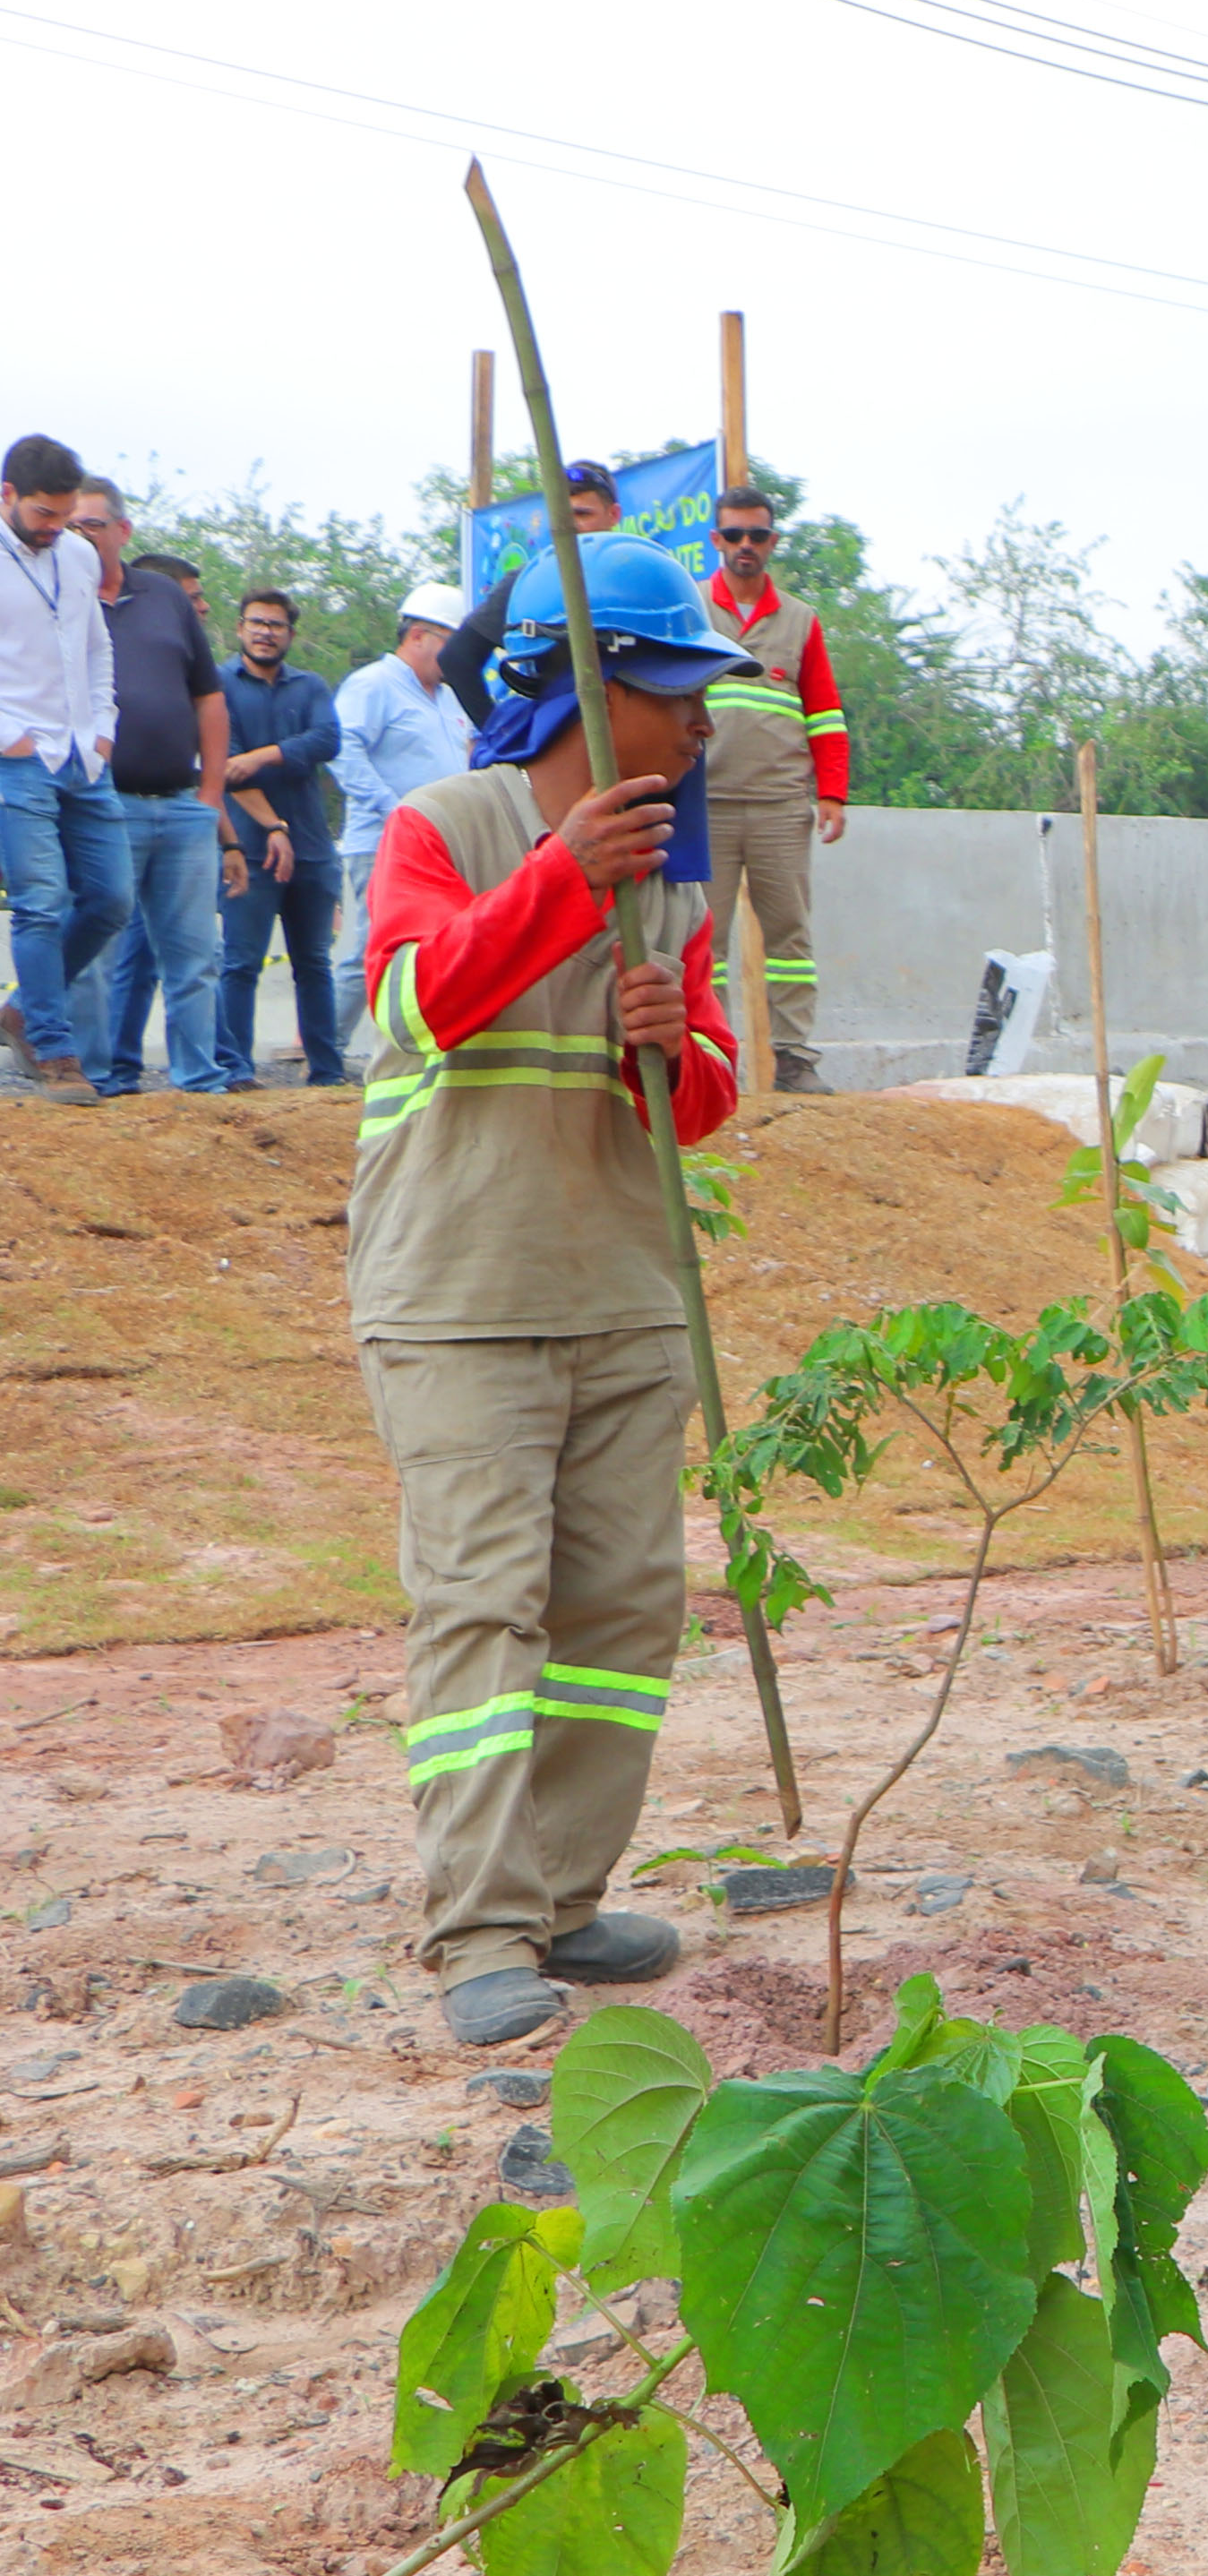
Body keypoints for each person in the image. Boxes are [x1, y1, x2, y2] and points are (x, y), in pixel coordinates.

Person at [348, 531, 750, 2051]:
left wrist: (673, 1050)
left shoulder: (678, 872)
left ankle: (565, 1897)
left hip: (626, 1289)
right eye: (680, 693)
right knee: (481, 1607)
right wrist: (560, 881)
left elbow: (705, 1099)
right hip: (460, 1291)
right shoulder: (445, 825)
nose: (701, 724)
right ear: (596, 686)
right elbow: (413, 1004)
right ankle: (480, 1929)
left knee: (624, 1609)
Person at [72, 485, 236, 1098]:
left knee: (195, 957)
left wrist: (211, 796)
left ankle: (199, 1081)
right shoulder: (54, 599)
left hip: (181, 805)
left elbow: (209, 696)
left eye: (92, 525)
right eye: (70, 526)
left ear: (123, 530)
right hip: (100, 805)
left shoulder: (166, 597)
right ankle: (96, 1080)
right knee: (94, 957)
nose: (80, 536)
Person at [698, 485, 848, 1088]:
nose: (746, 545)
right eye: (734, 534)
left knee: (789, 936)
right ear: (717, 540)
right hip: (704, 803)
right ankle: (710, 1059)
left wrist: (832, 794)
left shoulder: (800, 619)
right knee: (702, 941)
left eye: (757, 535)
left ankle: (795, 1059)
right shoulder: (690, 609)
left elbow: (826, 714)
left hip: (780, 806)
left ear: (773, 542)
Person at [0, 434, 128, 1095]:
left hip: (83, 755)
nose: (57, 526)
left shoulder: (78, 555)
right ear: (8, 495)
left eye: (66, 514)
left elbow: (96, 646)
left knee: (111, 898)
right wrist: (9, 738)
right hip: (18, 758)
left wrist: (103, 728)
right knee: (41, 903)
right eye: (44, 513)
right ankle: (53, 1052)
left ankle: (21, 1010)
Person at [331, 586, 473, 1063]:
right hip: (383, 841)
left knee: (436, 946)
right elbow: (342, 751)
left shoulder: (450, 698)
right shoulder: (373, 685)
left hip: (443, 842)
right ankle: (324, 1046)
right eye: (453, 643)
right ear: (418, 636)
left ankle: (415, 1045)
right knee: (375, 945)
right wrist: (395, 810)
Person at [217, 588, 346, 1085]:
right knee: (240, 963)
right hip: (246, 849)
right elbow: (226, 767)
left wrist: (262, 755)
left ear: (290, 634)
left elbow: (326, 740)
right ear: (240, 628)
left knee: (314, 963)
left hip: (312, 846)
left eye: (276, 625)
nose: (265, 633)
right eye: (257, 623)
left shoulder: (310, 686)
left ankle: (327, 1072)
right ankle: (235, 1070)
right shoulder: (218, 684)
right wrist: (274, 826)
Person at [441, 459, 630, 719]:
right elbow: (456, 658)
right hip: (565, 734)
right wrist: (501, 734)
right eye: (562, 515)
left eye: (583, 514)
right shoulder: (529, 581)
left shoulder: (641, 573)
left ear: (614, 515)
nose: (571, 525)